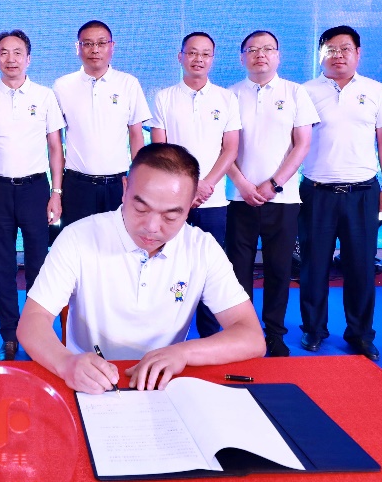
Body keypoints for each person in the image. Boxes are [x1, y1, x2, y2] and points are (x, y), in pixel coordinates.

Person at [17, 143, 265, 394]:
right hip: (88, 384)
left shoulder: (202, 249)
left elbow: (251, 336)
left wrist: (183, 353)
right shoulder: (78, 238)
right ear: (125, 189)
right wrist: (66, 363)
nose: (152, 227)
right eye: (141, 208)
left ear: (191, 204)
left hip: (162, 385)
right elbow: (32, 321)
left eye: (170, 216)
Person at [298, 25, 382, 361]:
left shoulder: (376, 90)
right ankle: (313, 329)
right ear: (320, 55)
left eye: (345, 49)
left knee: (361, 267)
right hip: (316, 192)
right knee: (313, 265)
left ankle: (360, 334)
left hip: (363, 192)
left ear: (358, 53)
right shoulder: (304, 92)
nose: (338, 55)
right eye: (331, 49)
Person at [0, 29, 65, 361]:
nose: (11, 59)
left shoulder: (45, 96)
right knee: (4, 266)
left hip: (36, 189)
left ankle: (38, 335)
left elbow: (56, 148)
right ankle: (9, 335)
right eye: (4, 53)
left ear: (28, 58)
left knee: (38, 265)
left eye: (17, 52)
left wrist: (56, 193)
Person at [225, 30, 319, 357]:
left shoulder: (295, 92)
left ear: (278, 56)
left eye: (267, 49)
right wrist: (242, 184)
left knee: (279, 270)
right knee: (238, 271)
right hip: (238, 198)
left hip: (284, 199)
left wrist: (274, 184)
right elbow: (224, 147)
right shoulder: (229, 95)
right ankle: (242, 332)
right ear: (242, 57)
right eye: (252, 49)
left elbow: (302, 144)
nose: (260, 55)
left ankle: (275, 334)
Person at [149, 31, 241, 336]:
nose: (198, 59)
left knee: (209, 269)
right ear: (180, 57)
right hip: (173, 202)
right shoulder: (164, 98)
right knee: (168, 265)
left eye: (205, 54)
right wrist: (187, 188)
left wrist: (206, 185)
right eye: (192, 53)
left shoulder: (226, 99)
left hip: (212, 201)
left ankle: (209, 335)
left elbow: (230, 149)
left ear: (212, 59)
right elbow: (160, 150)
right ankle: (166, 333)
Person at [52, 20, 152, 228]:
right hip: (76, 185)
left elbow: (136, 136)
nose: (95, 50)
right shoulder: (62, 86)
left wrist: (138, 181)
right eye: (87, 44)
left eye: (101, 43)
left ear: (112, 46)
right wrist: (57, 191)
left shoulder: (128, 83)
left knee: (119, 241)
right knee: (77, 242)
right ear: (77, 47)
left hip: (118, 185)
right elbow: (55, 144)